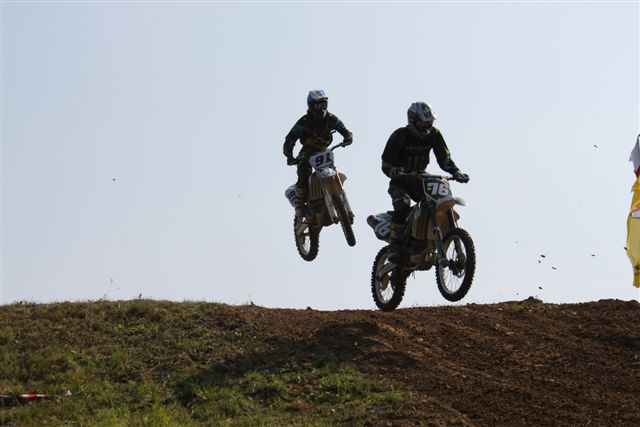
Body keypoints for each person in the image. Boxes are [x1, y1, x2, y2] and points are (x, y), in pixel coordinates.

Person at [381, 101, 469, 260]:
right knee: (402, 204)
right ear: (413, 121)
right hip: (401, 180)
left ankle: (426, 236)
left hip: (421, 178)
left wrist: (456, 172)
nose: (426, 127)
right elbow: (386, 164)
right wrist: (393, 170)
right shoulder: (399, 135)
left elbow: (444, 158)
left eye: (429, 122)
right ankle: (394, 244)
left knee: (437, 200)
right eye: (422, 123)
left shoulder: (434, 134)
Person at [283, 90, 353, 216]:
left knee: (332, 168)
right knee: (303, 171)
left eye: (324, 104)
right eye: (318, 105)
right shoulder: (303, 122)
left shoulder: (331, 118)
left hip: (324, 150)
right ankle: (299, 204)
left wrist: (348, 137)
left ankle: (336, 195)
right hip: (308, 151)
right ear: (311, 105)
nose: (321, 107)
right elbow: (290, 139)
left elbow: (343, 129)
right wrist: (289, 155)